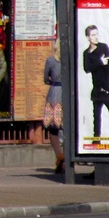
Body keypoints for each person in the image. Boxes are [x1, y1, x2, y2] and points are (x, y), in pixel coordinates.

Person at [82, 24, 109, 140]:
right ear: (88, 37)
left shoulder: (103, 47)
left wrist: (105, 86)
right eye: (93, 35)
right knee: (96, 117)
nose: (96, 37)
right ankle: (96, 141)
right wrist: (100, 62)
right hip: (96, 90)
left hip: (106, 88)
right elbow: (86, 68)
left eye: (97, 34)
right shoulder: (86, 53)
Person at [43, 43, 64, 173]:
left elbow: (45, 79)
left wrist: (52, 82)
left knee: (53, 128)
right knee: (67, 128)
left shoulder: (50, 60)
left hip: (55, 92)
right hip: (68, 93)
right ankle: (67, 159)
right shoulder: (70, 60)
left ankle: (59, 157)